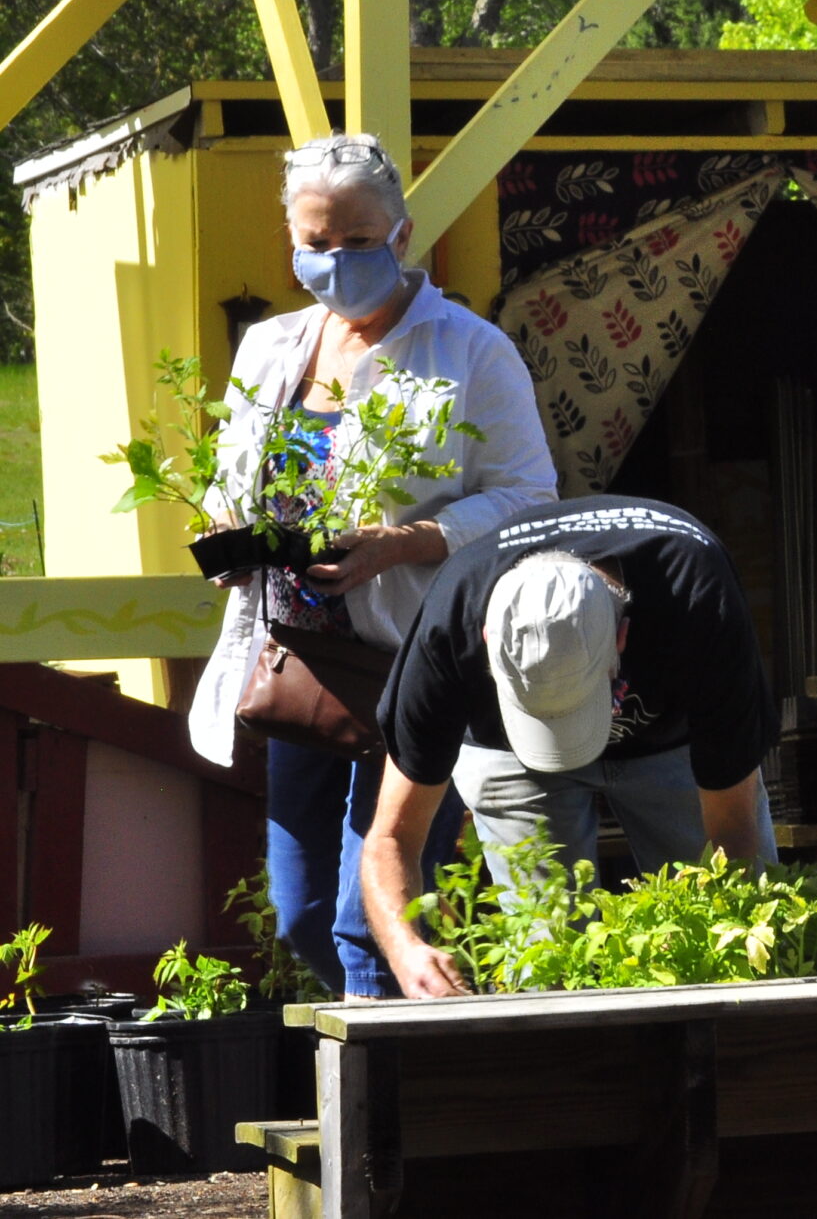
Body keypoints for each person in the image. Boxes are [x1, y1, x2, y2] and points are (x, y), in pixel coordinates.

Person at [186, 132, 557, 1001]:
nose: (336, 260)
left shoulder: (468, 351)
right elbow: (230, 480)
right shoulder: (271, 350)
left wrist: (405, 543)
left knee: (371, 920)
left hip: (415, 664)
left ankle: (378, 1111)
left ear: (402, 232)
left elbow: (529, 498)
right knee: (302, 909)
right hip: (303, 662)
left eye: (357, 240)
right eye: (316, 244)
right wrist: (226, 530)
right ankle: (409, 1057)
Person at [361, 496, 780, 999]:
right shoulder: (450, 621)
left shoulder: (697, 596)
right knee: (546, 957)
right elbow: (391, 836)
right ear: (488, 637)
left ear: (623, 636)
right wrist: (407, 949)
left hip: (671, 745)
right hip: (507, 756)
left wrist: (725, 948)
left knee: (728, 939)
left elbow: (733, 831)